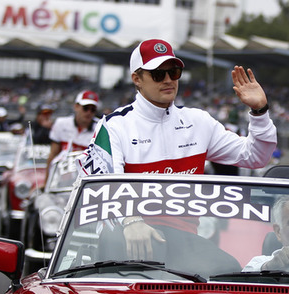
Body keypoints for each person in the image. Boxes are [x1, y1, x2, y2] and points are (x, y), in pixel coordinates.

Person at [79, 38, 277, 260]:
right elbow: (101, 187)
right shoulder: (113, 125)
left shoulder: (199, 121)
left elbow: (256, 157)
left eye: (173, 72)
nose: (168, 80)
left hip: (184, 243)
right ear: (137, 79)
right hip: (127, 239)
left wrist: (260, 112)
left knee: (229, 269)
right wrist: (131, 221)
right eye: (157, 74)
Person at [47, 91, 99, 171]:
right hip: (61, 172)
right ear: (76, 107)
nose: (89, 112)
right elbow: (53, 155)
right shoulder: (61, 124)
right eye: (85, 108)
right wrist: (46, 182)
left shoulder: (100, 129)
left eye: (93, 110)